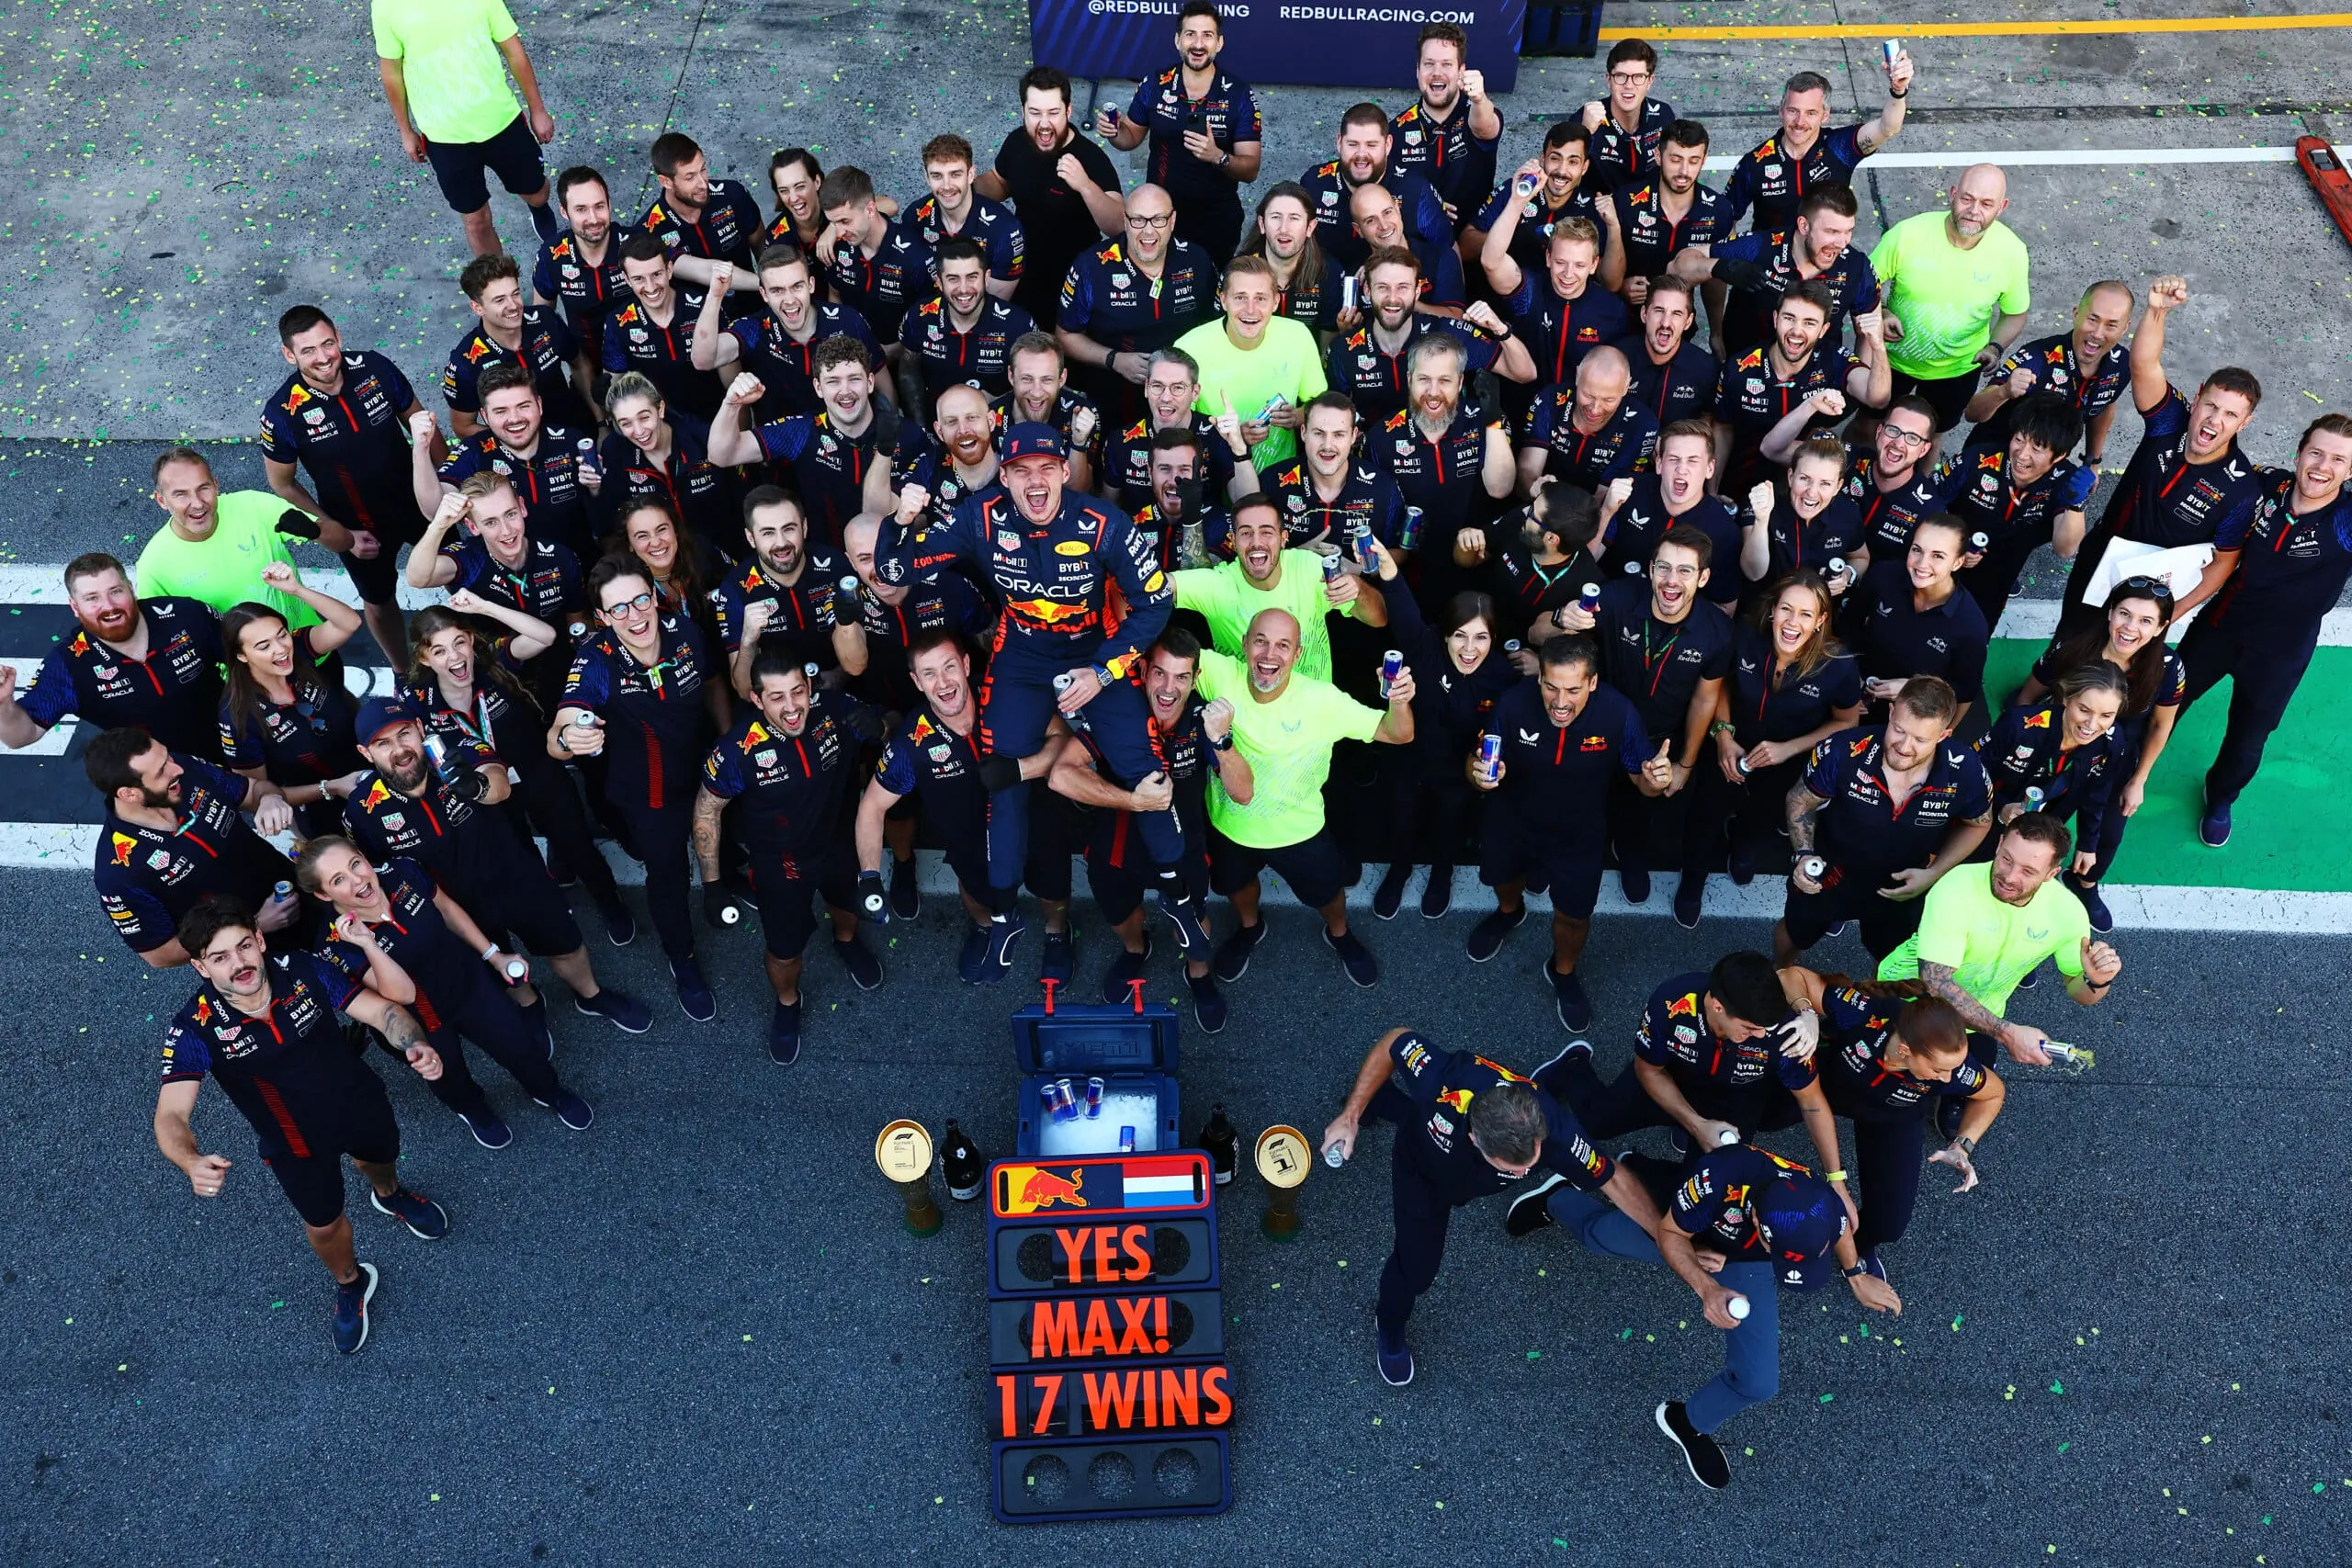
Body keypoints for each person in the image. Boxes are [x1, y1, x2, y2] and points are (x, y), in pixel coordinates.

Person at [878, 424, 1213, 975]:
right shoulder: (979, 517)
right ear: (1004, 477)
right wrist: (899, 521)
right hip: (1023, 656)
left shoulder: (1104, 522)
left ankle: (1178, 900)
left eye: (1045, 469)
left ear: (1063, 471)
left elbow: (1155, 603)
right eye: (1021, 471)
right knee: (1001, 778)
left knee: (1147, 772)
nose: (1035, 482)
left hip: (1094, 651)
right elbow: (893, 570)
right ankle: (1004, 914)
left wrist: (1104, 671)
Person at [1512, 1137, 1895, 1490]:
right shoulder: (1718, 1178)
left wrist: (1855, 1273)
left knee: (1759, 1383)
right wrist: (1706, 1285)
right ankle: (1558, 1198)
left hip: (1745, 1256)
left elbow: (1839, 1230)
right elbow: (1670, 1233)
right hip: (1688, 1228)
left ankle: (1686, 1422)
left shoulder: (1819, 1198)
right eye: (1781, 1255)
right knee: (1601, 1237)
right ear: (1758, 1222)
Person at [156, 896, 449, 1357]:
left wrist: (414, 1044)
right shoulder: (195, 1028)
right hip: (294, 1144)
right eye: (220, 957)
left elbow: (381, 1012)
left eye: (243, 947)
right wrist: (189, 1160)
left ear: (259, 940)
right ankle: (351, 1283)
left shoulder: (305, 969)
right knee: (325, 1226)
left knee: (380, 1159)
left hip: (360, 1103)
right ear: (200, 967)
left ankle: (389, 1194)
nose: (239, 964)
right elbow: (171, 1114)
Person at [1317, 1026, 1663, 1386]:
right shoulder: (1443, 1079)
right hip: (1421, 1177)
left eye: (1533, 1159)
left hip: (1462, 1161)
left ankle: (1559, 1072)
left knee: (1417, 1112)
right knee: (1415, 1273)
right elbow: (1396, 1040)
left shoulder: (1555, 1131)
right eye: (1514, 1169)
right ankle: (1389, 1326)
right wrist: (1350, 1116)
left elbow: (1615, 1179)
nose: (1526, 1173)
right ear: (1475, 1139)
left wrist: (1663, 1238)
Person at [341, 690, 650, 1042]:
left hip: (517, 879)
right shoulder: (362, 810)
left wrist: (476, 785)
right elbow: (378, 872)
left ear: (419, 728)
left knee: (566, 944)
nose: (399, 750)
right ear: (365, 753)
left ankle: (590, 995)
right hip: (457, 911)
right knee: (501, 966)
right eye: (383, 744)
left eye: (404, 734)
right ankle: (531, 1005)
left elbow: (500, 785)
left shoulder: (458, 750)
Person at [299, 835, 596, 1146]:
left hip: (468, 984)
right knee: (448, 1077)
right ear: (323, 894)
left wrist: (494, 956)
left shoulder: (402, 872)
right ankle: (474, 1111)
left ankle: (549, 1091)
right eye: (338, 880)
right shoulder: (333, 944)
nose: (358, 880)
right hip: (422, 1019)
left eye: (355, 864)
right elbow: (403, 994)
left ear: (362, 855)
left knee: (518, 1044)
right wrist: (367, 944)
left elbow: (448, 910)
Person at [549, 556, 729, 1021]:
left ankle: (725, 882)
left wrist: (727, 738)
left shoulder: (685, 632)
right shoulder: (594, 660)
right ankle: (682, 959)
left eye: (640, 600)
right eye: (619, 608)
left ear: (654, 596)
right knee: (668, 877)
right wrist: (568, 738)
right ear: (602, 617)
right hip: (650, 794)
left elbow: (712, 682)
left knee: (726, 839)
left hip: (702, 772)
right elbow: (561, 727)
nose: (634, 615)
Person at [1197, 607, 1414, 989]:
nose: (1269, 655)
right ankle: (1250, 927)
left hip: (1300, 830)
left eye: (1283, 646)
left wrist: (1398, 701)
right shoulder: (1217, 673)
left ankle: (1339, 933)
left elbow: (1398, 734)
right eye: (1260, 641)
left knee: (1328, 894)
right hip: (1230, 826)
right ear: (1244, 644)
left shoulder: (1322, 701)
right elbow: (1158, 653)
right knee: (1236, 885)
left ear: (1298, 655)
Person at [1049, 627, 1250, 1030]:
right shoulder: (1118, 714)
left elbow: (1243, 792)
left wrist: (1222, 742)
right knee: (1119, 912)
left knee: (1193, 920)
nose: (1169, 689)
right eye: (1160, 673)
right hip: (1118, 846)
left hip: (1183, 847)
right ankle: (1136, 950)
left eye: (1181, 677)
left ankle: (1198, 974)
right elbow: (1061, 776)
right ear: (1142, 671)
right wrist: (1134, 801)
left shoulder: (1202, 720)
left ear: (1195, 678)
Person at [403, 602, 635, 942]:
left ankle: (610, 903)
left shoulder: (495, 661)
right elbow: (407, 742)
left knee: (577, 844)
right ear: (425, 659)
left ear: (471, 640)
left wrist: (482, 606)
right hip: (485, 789)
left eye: (459, 643)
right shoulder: (417, 698)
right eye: (439, 651)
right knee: (520, 853)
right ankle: (553, 897)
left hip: (538, 771)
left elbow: (545, 636)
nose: (455, 657)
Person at [693, 650, 883, 1064]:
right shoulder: (738, 748)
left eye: (798, 691)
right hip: (781, 863)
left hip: (838, 844)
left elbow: (896, 725)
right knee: (784, 950)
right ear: (757, 700)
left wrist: (882, 725)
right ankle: (787, 1001)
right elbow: (707, 811)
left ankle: (846, 941)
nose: (792, 706)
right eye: (777, 697)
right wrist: (713, 885)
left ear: (810, 686)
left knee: (846, 905)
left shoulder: (836, 710)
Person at [853, 630, 1075, 982]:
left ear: (967, 665)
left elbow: (1062, 737)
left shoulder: (1006, 697)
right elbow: (872, 807)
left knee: (1051, 888)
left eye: (949, 667)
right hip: (969, 841)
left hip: (1033, 821)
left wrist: (1020, 770)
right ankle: (985, 927)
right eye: (929, 674)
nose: (943, 682)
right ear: (917, 682)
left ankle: (1057, 932)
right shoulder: (911, 742)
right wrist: (868, 875)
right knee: (975, 891)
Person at [1466, 632, 1658, 1029]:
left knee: (1573, 917)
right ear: (1539, 679)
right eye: (1551, 687)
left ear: (1593, 682)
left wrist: (1655, 780)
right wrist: (1478, 774)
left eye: (1573, 689)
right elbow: (1476, 761)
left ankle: (1563, 971)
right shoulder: (1513, 702)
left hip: (1578, 834)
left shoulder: (1618, 713)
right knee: (1504, 879)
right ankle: (1509, 912)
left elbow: (1643, 780)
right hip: (1512, 821)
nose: (1560, 701)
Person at [2177, 412, 2352, 847]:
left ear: (2350, 472)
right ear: (2298, 454)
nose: (2322, 467)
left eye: (2338, 460)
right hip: (2218, 629)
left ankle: (2220, 797)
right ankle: (2125, 767)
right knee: (2163, 699)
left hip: (2280, 656)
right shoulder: (2265, 484)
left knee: (2247, 741)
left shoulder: (2347, 521)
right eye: (2315, 453)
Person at [2059, 276, 2266, 633]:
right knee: (2069, 637)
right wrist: (2157, 311)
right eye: (2211, 405)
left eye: (2231, 415)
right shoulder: (2170, 421)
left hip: (2154, 595)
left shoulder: (2242, 490)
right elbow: (2143, 365)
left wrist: (2174, 612)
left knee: (2117, 659)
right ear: (2197, 398)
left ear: (2244, 424)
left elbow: (2224, 561)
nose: (2214, 420)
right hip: (2101, 556)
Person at [1534, 953, 1839, 1179]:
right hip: (1672, 1077)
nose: (1761, 1036)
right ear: (1717, 1006)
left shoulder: (1785, 1030)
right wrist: (1696, 1124)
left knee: (1710, 1186)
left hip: (1736, 1100)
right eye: (1749, 1028)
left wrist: (1836, 1178)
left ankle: (1637, 1165)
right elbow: (1648, 1070)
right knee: (1597, 1123)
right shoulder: (1670, 1003)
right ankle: (1573, 1066)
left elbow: (1812, 1101)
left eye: (1765, 1028)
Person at [1878, 813, 2122, 1091]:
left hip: (1980, 1019)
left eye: (2028, 871)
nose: (2009, 876)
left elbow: (2081, 993)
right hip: (1907, 1001)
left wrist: (2097, 980)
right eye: (2007, 859)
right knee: (1885, 1084)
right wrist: (2007, 1033)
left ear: (2051, 874)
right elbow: (1935, 982)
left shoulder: (2069, 913)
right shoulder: (1956, 886)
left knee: (1970, 1093)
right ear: (1999, 844)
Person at [259, 306, 436, 668]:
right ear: (289, 355)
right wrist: (341, 532)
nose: (323, 357)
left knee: (462, 569)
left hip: (420, 502)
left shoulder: (375, 367)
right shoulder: (281, 413)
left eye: (328, 344)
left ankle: (484, 647)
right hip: (360, 525)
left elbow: (422, 425)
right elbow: (282, 484)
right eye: (308, 350)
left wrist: (451, 484)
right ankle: (402, 671)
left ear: (338, 337)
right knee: (379, 601)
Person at [1776, 675, 1992, 966]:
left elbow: (1979, 823)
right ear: (1891, 713)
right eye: (1899, 730)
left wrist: (1934, 873)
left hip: (1901, 885)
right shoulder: (1843, 750)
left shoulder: (1966, 770)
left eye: (1920, 740)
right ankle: (1779, 973)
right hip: (1830, 871)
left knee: (1894, 962)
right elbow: (1800, 800)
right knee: (1794, 933)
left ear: (1943, 736)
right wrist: (1803, 854)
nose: (1904, 746)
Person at [2015, 577, 2182, 930]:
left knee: (2108, 836)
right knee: (2036, 830)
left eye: (2146, 620)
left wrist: (2139, 780)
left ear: (2161, 627)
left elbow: (2160, 725)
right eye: (2124, 613)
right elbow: (2030, 692)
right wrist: (2020, 733)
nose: (2130, 628)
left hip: (2117, 764)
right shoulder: (2074, 646)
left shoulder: (2167, 666)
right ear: (2109, 613)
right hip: (2058, 758)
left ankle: (2084, 884)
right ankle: (2023, 891)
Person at [1690, 570, 1862, 902]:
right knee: (1706, 809)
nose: (1792, 623)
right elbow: (1720, 683)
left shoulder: (1838, 665)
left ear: (1820, 621)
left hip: (1786, 760)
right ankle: (1693, 877)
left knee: (1762, 811)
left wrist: (1787, 749)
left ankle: (1742, 842)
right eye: (1786, 609)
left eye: (1806, 614)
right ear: (1772, 609)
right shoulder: (1745, 634)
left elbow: (1846, 722)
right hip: (1730, 744)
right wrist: (1723, 734)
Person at [1368, 570, 1518, 920]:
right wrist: (1387, 567)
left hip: (1456, 771)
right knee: (1401, 819)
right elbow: (1401, 605)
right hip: (1408, 760)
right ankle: (1399, 870)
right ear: (1445, 635)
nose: (1469, 649)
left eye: (1481, 637)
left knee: (1450, 826)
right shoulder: (1425, 650)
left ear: (1494, 639)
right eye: (1460, 636)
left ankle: (1442, 874)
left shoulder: (1503, 677)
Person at [85, 726, 299, 966]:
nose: (177, 769)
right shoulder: (118, 873)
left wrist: (270, 798)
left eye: (167, 757)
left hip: (296, 888)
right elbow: (161, 955)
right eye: (161, 771)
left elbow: (253, 790)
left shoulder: (184, 771)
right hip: (247, 957)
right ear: (129, 794)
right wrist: (255, 925)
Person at [371, 0, 557, 255]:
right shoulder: (385, 6)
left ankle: (538, 208)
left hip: (501, 121)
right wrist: (405, 130)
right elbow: (391, 72)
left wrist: (538, 109)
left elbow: (513, 50)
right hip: (444, 138)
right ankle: (496, 280)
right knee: (476, 222)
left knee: (537, 194)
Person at [0, 554, 227, 760]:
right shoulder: (68, 664)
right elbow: (21, 736)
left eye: (116, 592)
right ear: (74, 607)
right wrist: (2, 704)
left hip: (237, 744)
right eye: (92, 598)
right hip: (164, 776)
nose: (108, 606)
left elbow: (242, 650)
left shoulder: (185, 614)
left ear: (131, 589)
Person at [1096, 2, 1262, 262]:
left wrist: (1217, 156)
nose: (1198, 44)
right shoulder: (1156, 83)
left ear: (1219, 43)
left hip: (1215, 218)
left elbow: (1251, 169)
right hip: (1159, 215)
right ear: (1177, 40)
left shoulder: (1238, 94)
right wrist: (1114, 131)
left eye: (1207, 35)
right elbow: (1130, 137)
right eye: (1190, 34)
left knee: (1209, 283)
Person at [1870, 166, 2031, 431]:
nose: (1974, 210)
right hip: (1891, 359)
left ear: (2001, 207)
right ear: (1953, 194)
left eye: (1986, 204)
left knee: (1932, 434)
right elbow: (1863, 285)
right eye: (1967, 199)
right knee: (1868, 425)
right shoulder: (1907, 234)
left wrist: (1994, 347)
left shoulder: (2012, 252)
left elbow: (2014, 314)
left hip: (1958, 369)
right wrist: (1882, 313)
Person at [217, 575, 368, 837]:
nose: (280, 650)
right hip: (323, 809)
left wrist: (297, 589)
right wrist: (331, 787)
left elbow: (349, 623)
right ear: (241, 656)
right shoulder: (237, 716)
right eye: (264, 646)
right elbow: (261, 794)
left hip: (372, 765)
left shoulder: (297, 649)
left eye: (281, 635)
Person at [1171, 494, 1380, 683]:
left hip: (1315, 710)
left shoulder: (1310, 568)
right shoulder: (1219, 584)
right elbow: (1161, 586)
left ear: (1283, 539)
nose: (1256, 542)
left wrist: (1359, 588)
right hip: (1244, 711)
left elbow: (1378, 618)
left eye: (1266, 532)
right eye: (1246, 533)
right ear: (1233, 541)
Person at [1371, 335, 1514, 607]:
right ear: (1410, 379)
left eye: (1445, 380)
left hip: (1476, 564)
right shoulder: (1383, 435)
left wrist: (1492, 421)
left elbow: (1501, 488)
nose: (1433, 392)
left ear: (1460, 383)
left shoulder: (1481, 417)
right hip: (1412, 572)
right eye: (1424, 379)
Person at [976, 66, 1125, 326]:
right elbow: (1000, 182)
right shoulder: (1017, 142)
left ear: (1068, 111)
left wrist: (1085, 185)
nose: (1044, 124)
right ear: (1023, 111)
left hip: (1072, 277)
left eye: (1053, 113)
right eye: (1035, 113)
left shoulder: (1091, 157)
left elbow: (1118, 225)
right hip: (1023, 268)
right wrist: (963, 185)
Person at [707, 350, 897, 549]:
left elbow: (887, 516)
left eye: (854, 379)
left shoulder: (909, 436)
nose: (845, 391)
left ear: (870, 382)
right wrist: (731, 404)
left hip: (888, 557)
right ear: (818, 387)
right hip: (823, 560)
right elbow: (721, 455)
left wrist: (885, 450)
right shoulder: (801, 431)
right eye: (833, 381)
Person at [1057, 184, 1220, 413]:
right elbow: (1065, 335)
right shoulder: (1092, 266)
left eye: (1158, 219)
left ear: (1172, 221)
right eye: (1138, 220)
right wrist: (1114, 360)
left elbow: (1217, 327)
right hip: (1114, 396)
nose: (1148, 231)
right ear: (1125, 221)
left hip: (1182, 399)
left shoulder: (1197, 260)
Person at [1712, 285, 1887, 496]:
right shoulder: (1739, 368)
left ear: (1823, 330)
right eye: (1789, 318)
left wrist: (1878, 346)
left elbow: (1877, 398)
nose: (1796, 330)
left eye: (1809, 323)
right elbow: (1722, 430)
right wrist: (1712, 492)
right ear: (1775, 319)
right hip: (1742, 481)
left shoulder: (1833, 358)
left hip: (1806, 490)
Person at [1324, 250, 1528, 426]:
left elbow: (1523, 373)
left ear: (1417, 292)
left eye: (1403, 287)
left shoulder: (1446, 333)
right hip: (1374, 454)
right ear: (1368, 291)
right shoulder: (1344, 349)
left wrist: (1501, 329)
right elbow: (1332, 419)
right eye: (1383, 287)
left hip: (1443, 449)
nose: (1393, 298)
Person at [1672, 184, 1876, 359]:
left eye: (1848, 231)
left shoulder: (1857, 267)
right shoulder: (1759, 246)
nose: (1842, 243)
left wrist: (1860, 379)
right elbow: (1677, 266)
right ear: (1804, 226)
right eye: (1832, 232)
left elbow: (1868, 332)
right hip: (1746, 375)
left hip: (1817, 382)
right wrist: (1722, 267)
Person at [690, 243, 887, 423]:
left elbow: (881, 381)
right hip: (782, 445)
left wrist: (892, 435)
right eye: (777, 290)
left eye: (797, 286)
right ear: (764, 294)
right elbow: (703, 360)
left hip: (845, 439)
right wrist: (715, 296)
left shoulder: (847, 321)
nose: (790, 300)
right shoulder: (755, 329)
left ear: (811, 285)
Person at [424, 362, 602, 559]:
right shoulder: (473, 452)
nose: (515, 418)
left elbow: (606, 515)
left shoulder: (570, 441)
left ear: (539, 405)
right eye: (501, 411)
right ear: (485, 416)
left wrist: (597, 488)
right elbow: (434, 509)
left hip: (580, 564)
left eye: (523, 406)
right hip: (511, 572)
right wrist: (421, 451)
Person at [1948, 392, 2095, 629]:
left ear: (2060, 455)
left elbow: (2065, 549)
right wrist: (1953, 544)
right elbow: (1929, 505)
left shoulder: (2067, 481)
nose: (2022, 454)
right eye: (2019, 439)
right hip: (1948, 554)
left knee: (1974, 633)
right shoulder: (1976, 458)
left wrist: (2075, 504)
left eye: (2037, 448)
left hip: (2001, 573)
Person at [1722, 58, 1913, 236]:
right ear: (1781, 111)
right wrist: (1733, 259)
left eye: (1811, 113)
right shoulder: (1754, 163)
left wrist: (1898, 90)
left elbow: (1888, 127)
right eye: (1793, 111)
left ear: (1825, 115)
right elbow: (1725, 220)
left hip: (1828, 257)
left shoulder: (1840, 147)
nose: (1800, 122)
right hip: (1771, 260)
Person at [1978, 662, 2127, 890]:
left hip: (2042, 831)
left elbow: (2096, 794)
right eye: (2084, 710)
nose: (2092, 725)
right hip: (1985, 816)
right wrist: (2001, 807)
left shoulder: (2112, 743)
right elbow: (1972, 773)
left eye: (2106, 715)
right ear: (2066, 698)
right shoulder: (2018, 725)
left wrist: (2087, 843)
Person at [135, 448, 320, 632]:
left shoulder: (254, 505)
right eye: (181, 494)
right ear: (161, 500)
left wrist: (316, 531)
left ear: (216, 485)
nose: (198, 503)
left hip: (310, 640)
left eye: (203, 488)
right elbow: (162, 632)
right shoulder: (153, 567)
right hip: (240, 653)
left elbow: (330, 534)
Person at [1173, 255, 1327, 470]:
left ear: (1276, 302)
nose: (1251, 309)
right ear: (1223, 300)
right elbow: (1176, 426)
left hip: (1282, 479)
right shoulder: (1189, 347)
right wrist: (1233, 437)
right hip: (1216, 477)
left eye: (1260, 298)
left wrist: (1299, 416)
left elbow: (1321, 404)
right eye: (1240, 298)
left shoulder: (1298, 336)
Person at [707, 486, 864, 697]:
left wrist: (839, 676)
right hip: (779, 702)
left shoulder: (836, 567)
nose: (781, 543)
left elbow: (858, 664)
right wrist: (748, 639)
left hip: (843, 690)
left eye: (789, 529)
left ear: (804, 528)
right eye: (768, 533)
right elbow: (745, 692)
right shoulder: (735, 589)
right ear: (751, 538)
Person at [1479, 209, 1632, 421]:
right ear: (1548, 258)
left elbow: (1617, 376)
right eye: (1561, 262)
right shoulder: (1528, 290)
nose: (1568, 274)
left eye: (1579, 265)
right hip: (1517, 412)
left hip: (1579, 421)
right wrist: (1517, 200)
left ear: (1594, 265)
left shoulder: (1612, 311)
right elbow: (1491, 262)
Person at [1963, 279, 2135, 462]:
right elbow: (1972, 413)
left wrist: (2092, 461)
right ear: (2076, 314)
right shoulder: (2036, 358)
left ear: (2125, 328)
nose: (2098, 333)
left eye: (2111, 325)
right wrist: (2003, 391)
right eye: (2092, 320)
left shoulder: (2122, 364)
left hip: (2047, 467)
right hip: (1991, 461)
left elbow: (2104, 406)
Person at [1464, 126, 1623, 323]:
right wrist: (1516, 231)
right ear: (1542, 159)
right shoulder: (1515, 191)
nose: (1562, 171)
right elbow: (1465, 248)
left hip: (1563, 314)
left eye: (1573, 162)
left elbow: (1611, 284)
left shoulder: (1593, 207)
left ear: (1584, 167)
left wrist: (1614, 227)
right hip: (1502, 305)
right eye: (1555, 158)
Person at [1839, 516, 1988, 719]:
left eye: (1938, 556)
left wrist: (1915, 690)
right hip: (1854, 698)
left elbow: (1964, 690)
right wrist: (1850, 678)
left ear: (1958, 562)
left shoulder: (1971, 625)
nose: (1922, 564)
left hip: (1913, 718)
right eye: (1917, 550)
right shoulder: (1883, 577)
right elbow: (1848, 626)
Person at [1592, 421, 1740, 607]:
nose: (1682, 469)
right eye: (1674, 459)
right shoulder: (1630, 491)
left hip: (1671, 619)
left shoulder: (1723, 530)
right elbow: (1587, 559)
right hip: (1608, 602)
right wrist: (1606, 511)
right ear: (1659, 464)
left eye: (1693, 461)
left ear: (1710, 469)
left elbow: (1725, 607)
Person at [442, 252, 585, 436]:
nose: (513, 305)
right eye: (500, 300)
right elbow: (463, 426)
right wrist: (517, 442)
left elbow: (580, 365)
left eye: (515, 294)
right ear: (477, 308)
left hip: (575, 429)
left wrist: (601, 423)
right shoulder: (466, 362)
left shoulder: (545, 320)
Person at [594, 373, 737, 556]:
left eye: (644, 417)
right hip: (657, 559)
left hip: (721, 554)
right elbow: (609, 525)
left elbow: (739, 499)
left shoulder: (702, 438)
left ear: (660, 409)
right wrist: (595, 490)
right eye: (626, 423)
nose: (639, 431)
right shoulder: (614, 451)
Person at [1300, 104, 1453, 274]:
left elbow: (1447, 251)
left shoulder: (1414, 189)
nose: (1361, 154)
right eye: (1352, 144)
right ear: (1339, 142)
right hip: (1327, 286)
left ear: (1388, 144)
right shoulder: (1315, 183)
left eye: (1371, 145)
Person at [899, 239, 1036, 416]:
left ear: (986, 278)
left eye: (972, 277)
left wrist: (999, 402)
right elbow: (908, 372)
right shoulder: (920, 316)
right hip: (936, 424)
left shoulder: (1018, 324)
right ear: (939, 282)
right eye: (953, 279)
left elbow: (1036, 384)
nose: (964, 289)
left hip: (997, 423)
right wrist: (920, 427)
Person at [1259, 393, 1408, 555]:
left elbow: (1400, 552)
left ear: (1353, 436)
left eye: (1338, 435)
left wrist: (1359, 568)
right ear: (1303, 433)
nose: (1327, 446)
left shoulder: (1383, 488)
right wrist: (1298, 555)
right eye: (1319, 433)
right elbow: (1253, 551)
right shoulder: (1272, 482)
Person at [531, 167, 640, 388]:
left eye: (599, 206)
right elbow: (541, 319)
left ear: (609, 204)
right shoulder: (552, 255)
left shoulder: (636, 244)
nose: (593, 219)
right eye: (581, 209)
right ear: (564, 212)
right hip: (589, 370)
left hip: (642, 365)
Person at [1609, 120, 1733, 312]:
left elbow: (1714, 279)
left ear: (1704, 160)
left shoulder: (1718, 210)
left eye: (1693, 161)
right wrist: (1620, 288)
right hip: (1624, 317)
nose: (1684, 171)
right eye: (1675, 160)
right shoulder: (1626, 201)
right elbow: (1598, 271)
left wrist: (1716, 328)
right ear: (1658, 156)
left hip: (1679, 321)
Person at [1462, 475, 1603, 640]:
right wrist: (1465, 538)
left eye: (1532, 513)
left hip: (1519, 650)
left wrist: (1560, 621)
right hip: (1475, 621)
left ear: (1551, 539)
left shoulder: (1586, 586)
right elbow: (1468, 561)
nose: (1525, 512)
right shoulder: (1518, 522)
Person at [1386, 23, 1501, 227]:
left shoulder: (1477, 111)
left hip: (1475, 235)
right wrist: (1422, 207)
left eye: (1447, 64)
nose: (1436, 73)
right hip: (1419, 236)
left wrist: (1480, 99)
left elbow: (1485, 128)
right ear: (1418, 70)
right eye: (1429, 64)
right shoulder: (1396, 130)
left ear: (1461, 71)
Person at [603, 233, 726, 421]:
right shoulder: (618, 323)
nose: (651, 287)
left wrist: (739, 430)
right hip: (659, 425)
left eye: (656, 274)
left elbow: (732, 381)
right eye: (638, 279)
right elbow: (614, 392)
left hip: (716, 419)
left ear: (669, 270)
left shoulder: (704, 307)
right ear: (626, 279)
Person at [1102, 348, 1238, 514]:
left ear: (1195, 392)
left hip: (1206, 529)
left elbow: (1245, 503)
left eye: (1178, 388)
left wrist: (1240, 449)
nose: (1166, 397)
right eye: (1157, 386)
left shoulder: (1217, 435)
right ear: (1146, 388)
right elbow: (1108, 510)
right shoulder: (1121, 441)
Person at [1519, 345, 1657, 498]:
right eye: (1588, 395)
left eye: (1608, 400)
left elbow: (1604, 497)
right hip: (1543, 502)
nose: (1595, 409)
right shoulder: (1551, 400)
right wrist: (1536, 488)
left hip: (1597, 510)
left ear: (1626, 387)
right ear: (1577, 375)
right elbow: (1527, 471)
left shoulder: (1641, 425)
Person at [816, 164, 931, 347]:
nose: (839, 232)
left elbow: (928, 318)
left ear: (870, 209)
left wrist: (891, 353)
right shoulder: (836, 246)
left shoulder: (916, 256)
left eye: (845, 221)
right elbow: (835, 296)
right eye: (832, 223)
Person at [1738, 436, 1867, 595]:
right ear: (1791, 477)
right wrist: (1762, 519)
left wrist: (1847, 574)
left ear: (1838, 487)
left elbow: (1861, 558)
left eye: (1825, 483)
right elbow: (1753, 572)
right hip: (1765, 601)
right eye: (1805, 479)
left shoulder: (1847, 513)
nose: (1812, 492)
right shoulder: (1764, 500)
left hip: (1818, 606)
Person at [642, 131, 766, 293]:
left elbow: (759, 242)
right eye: (690, 177)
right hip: (700, 309)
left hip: (752, 298)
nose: (703, 183)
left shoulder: (732, 194)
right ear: (665, 181)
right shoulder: (650, 230)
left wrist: (770, 283)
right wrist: (768, 284)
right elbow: (708, 271)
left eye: (703, 169)